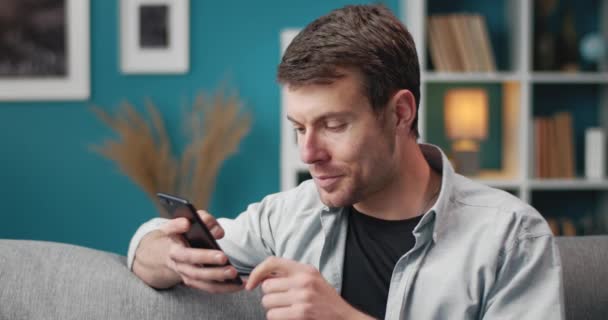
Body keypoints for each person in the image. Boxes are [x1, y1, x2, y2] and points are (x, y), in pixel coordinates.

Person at [128, 4, 564, 320]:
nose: (308, 153)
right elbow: (144, 244)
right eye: (299, 128)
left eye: (333, 125)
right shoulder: (288, 215)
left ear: (400, 113)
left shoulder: (510, 235)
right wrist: (172, 254)